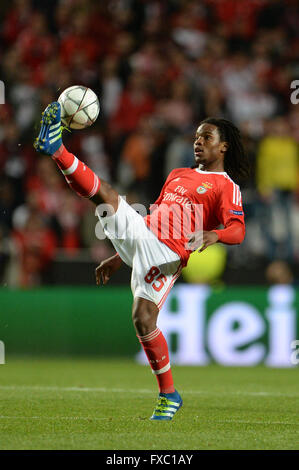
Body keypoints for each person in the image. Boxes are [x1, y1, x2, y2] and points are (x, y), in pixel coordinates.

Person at [34, 102, 248, 421]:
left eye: (206, 136)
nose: (198, 141)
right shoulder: (177, 174)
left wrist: (214, 235)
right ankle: (170, 395)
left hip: (169, 253)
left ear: (224, 146)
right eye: (196, 136)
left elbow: (238, 229)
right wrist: (121, 255)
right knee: (107, 199)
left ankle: (57, 149)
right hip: (145, 240)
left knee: (143, 317)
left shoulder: (226, 186)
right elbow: (154, 216)